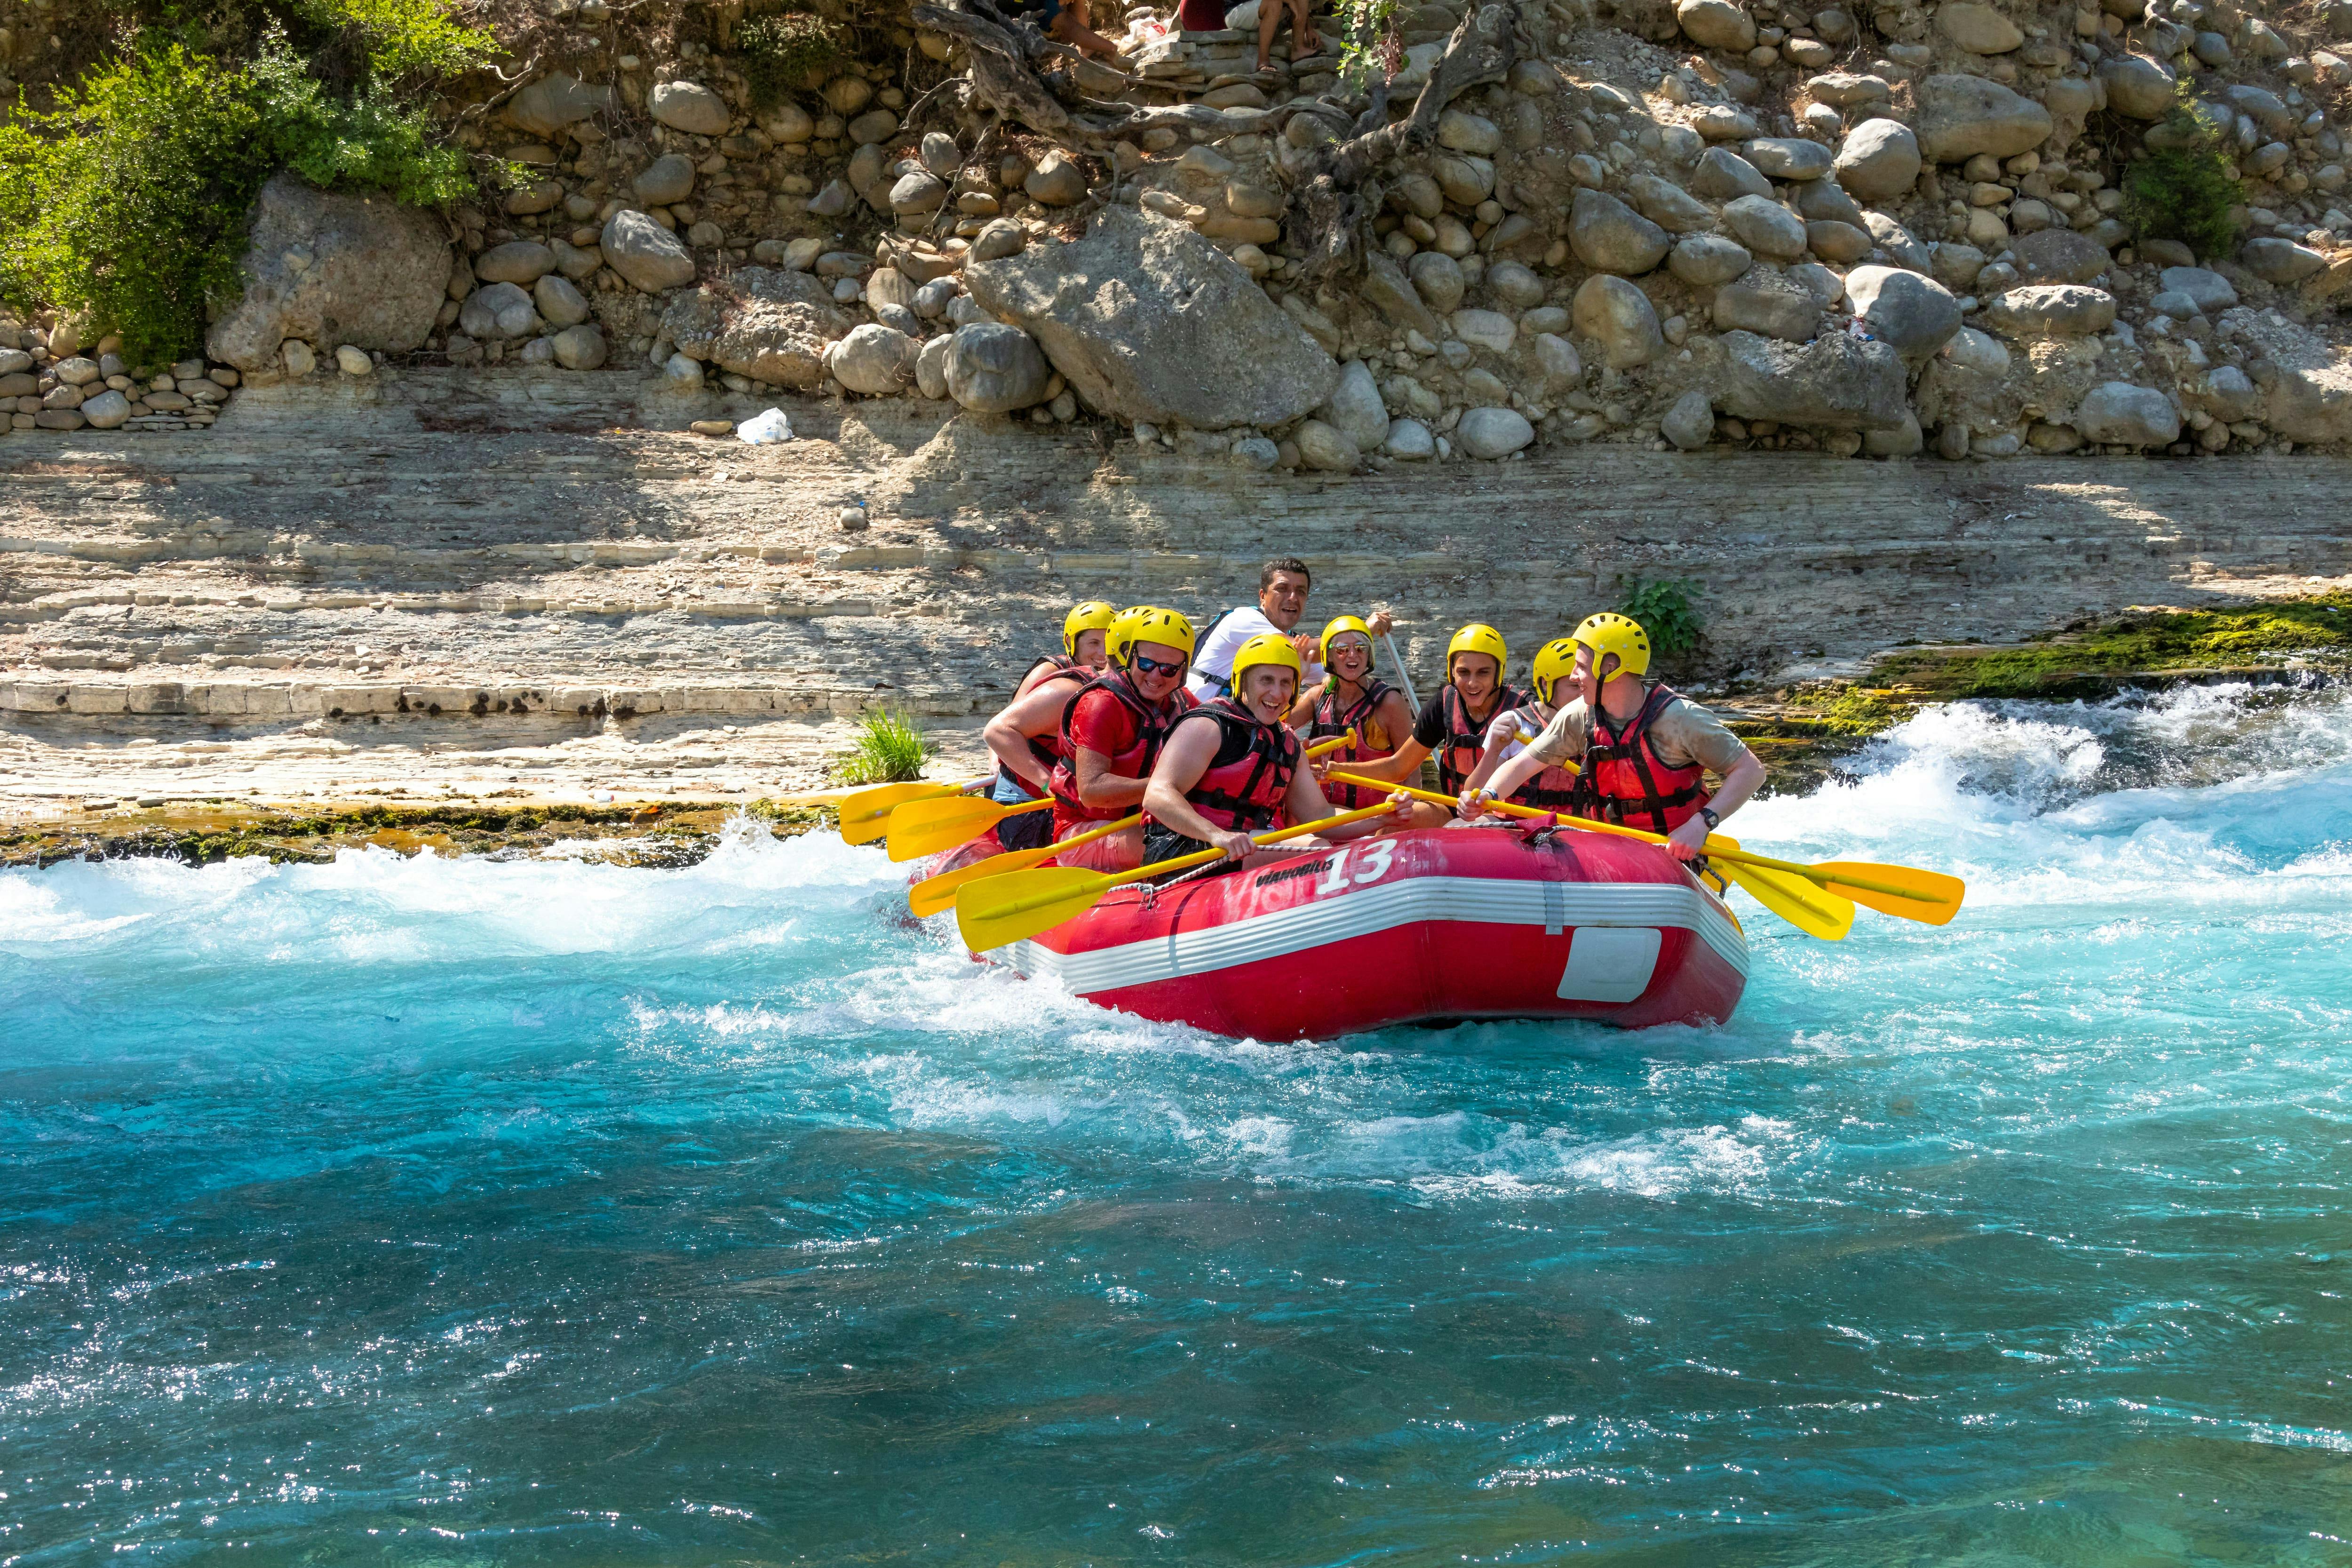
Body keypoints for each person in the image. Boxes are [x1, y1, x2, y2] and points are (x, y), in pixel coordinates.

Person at [1463, 612, 1766, 862]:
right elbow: (1522, 765)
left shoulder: (1681, 719)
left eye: (1581, 667)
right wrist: (1489, 796)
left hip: (1673, 855)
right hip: (1607, 853)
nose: (1572, 677)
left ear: (1610, 667)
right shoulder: (1580, 715)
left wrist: (1701, 824)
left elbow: (1751, 771)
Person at [1143, 634, 1400, 873]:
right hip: (1182, 847)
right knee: (1318, 851)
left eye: (1285, 683)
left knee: (1336, 845)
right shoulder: (1207, 726)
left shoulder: (1287, 743)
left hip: (1240, 846)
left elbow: (1320, 816)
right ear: (1242, 681)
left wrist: (1379, 818)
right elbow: (1156, 796)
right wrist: (1216, 835)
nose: (1277, 694)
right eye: (1266, 680)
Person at [1045, 606, 1198, 872]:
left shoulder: (1183, 702)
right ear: (1132, 657)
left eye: (1169, 669)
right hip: (1082, 832)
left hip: (1146, 819)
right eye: (1147, 664)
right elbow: (1092, 791)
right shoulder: (1101, 704)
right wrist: (1164, 789)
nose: (1155, 676)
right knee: (1187, 845)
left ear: (1183, 671)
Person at [1337, 622, 1522, 828]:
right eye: (1464, 672)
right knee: (1394, 819)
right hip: (1454, 808)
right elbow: (1399, 767)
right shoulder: (1444, 704)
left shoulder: (1522, 709)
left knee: (1464, 827)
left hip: (1506, 814)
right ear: (1452, 671)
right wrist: (1336, 770)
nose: (1472, 683)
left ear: (1499, 672)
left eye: (1483, 673)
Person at [980, 602, 1118, 852]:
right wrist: (1046, 784)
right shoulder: (1052, 673)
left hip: (1065, 794)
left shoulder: (1110, 685)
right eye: (1094, 643)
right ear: (1071, 642)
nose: (1103, 652)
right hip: (1025, 795)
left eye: (1108, 643)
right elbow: (1003, 726)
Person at [1189, 557, 1392, 699]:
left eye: (1300, 592)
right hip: (1201, 725)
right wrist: (1362, 630)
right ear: (1262, 596)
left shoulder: (1291, 640)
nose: (1293, 598)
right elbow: (1301, 651)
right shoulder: (1243, 619)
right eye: (1282, 589)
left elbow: (1333, 674)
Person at [1290, 614, 1415, 810]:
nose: (1352, 655)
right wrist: (1297, 676)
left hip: (1374, 821)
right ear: (1329, 657)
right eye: (1341, 650)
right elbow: (1274, 729)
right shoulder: (1318, 697)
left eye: (1360, 648)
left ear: (1369, 656)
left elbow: (1412, 771)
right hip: (1322, 822)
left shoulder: (1389, 703)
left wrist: (1408, 814)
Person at [1458, 636, 1581, 815]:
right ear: (1546, 684)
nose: (1582, 693)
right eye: (1574, 685)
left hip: (1575, 828)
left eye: (1584, 684)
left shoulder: (1594, 725)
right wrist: (1494, 749)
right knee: (1456, 827)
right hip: (1514, 826)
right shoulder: (1514, 724)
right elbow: (1473, 793)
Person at [1002, 0, 1126, 59]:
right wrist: (1113, 49)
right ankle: (1110, 49)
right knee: (1070, 26)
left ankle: (1087, 48)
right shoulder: (1046, 7)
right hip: (1026, 6)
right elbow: (1072, 29)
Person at [1254, 0, 1322, 69]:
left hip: (1266, 8)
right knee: (1274, 2)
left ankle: (1298, 48)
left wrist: (1309, 29)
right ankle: (1263, 62)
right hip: (1248, 7)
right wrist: (1291, 2)